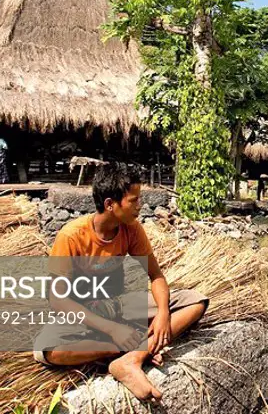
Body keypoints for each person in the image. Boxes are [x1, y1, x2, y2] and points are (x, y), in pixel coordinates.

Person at [34, 163, 208, 402]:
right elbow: (58, 299)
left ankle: (132, 358)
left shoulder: (131, 230)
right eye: (133, 200)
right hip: (83, 312)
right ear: (110, 204)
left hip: (117, 305)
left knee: (195, 301)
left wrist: (163, 314)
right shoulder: (71, 236)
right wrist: (113, 330)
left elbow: (156, 276)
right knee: (48, 350)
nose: (140, 206)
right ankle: (125, 347)